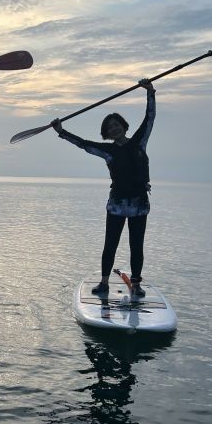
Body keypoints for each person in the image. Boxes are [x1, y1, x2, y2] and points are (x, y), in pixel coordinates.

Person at [51, 79, 156, 297]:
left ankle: (136, 284)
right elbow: (83, 144)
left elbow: (150, 118)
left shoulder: (139, 142)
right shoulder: (107, 151)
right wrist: (61, 132)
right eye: (110, 127)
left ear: (124, 126)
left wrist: (150, 92)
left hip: (138, 203)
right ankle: (104, 283)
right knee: (110, 244)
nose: (114, 128)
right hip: (117, 204)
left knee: (137, 246)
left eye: (116, 124)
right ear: (107, 133)